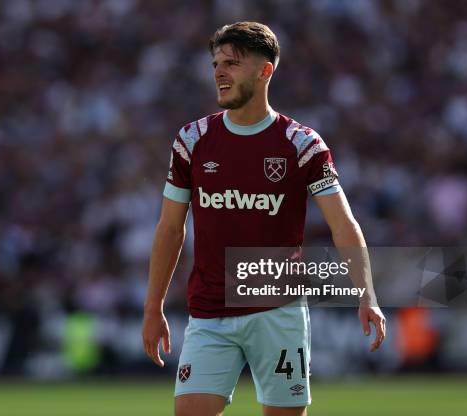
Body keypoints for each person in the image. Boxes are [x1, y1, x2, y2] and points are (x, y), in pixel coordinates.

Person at [142, 21, 386, 416]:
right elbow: (170, 229)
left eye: (232, 63)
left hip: (278, 312)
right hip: (209, 313)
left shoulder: (303, 144)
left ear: (264, 71)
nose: (219, 72)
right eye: (216, 63)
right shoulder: (191, 141)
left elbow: (344, 225)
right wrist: (153, 308)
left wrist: (366, 295)